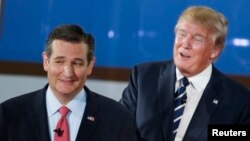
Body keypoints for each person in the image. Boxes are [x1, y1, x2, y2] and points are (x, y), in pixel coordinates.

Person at [120, 6, 250, 141]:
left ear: (215, 51)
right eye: (181, 34)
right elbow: (119, 128)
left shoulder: (238, 101)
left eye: (197, 39)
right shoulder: (144, 77)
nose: (185, 43)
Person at [0, 24, 138, 141]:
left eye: (77, 63)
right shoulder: (9, 114)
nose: (68, 72)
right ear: (46, 61)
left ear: (89, 65)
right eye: (59, 62)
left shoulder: (118, 118)